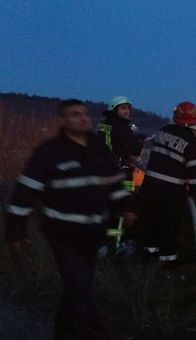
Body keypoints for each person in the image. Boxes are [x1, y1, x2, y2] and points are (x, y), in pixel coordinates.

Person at [3, 99, 137, 338]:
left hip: (92, 231)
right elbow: (25, 190)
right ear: (63, 120)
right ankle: (95, 333)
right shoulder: (50, 152)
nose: (82, 118)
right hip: (62, 233)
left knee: (76, 286)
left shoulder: (98, 148)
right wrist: (15, 230)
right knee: (81, 286)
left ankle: (63, 332)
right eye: (74, 114)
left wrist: (125, 206)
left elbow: (113, 181)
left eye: (85, 113)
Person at [138, 101, 196, 269]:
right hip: (170, 192)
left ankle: (148, 258)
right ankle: (168, 263)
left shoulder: (162, 131)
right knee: (169, 226)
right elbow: (194, 169)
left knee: (150, 222)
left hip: (149, 186)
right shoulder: (191, 140)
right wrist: (195, 190)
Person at [97, 96, 144, 255]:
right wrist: (140, 140)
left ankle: (102, 244)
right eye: (122, 108)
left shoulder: (104, 125)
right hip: (121, 173)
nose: (126, 111)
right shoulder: (121, 126)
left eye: (127, 108)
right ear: (115, 109)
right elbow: (135, 150)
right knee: (124, 207)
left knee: (107, 208)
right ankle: (117, 245)